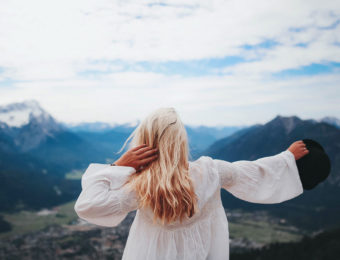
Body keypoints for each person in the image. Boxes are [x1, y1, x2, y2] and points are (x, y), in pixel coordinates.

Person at [74, 107, 309, 260]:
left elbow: (88, 206)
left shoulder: (142, 188)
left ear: (144, 142)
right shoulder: (212, 172)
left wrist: (119, 166)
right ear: (180, 141)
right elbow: (252, 172)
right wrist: (285, 158)